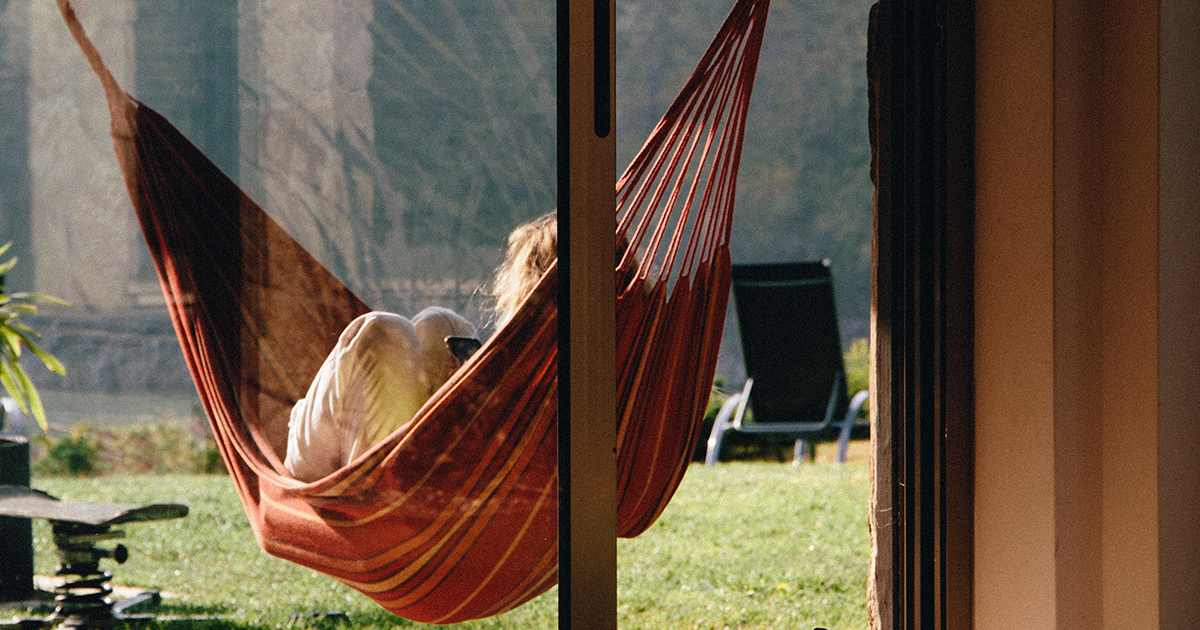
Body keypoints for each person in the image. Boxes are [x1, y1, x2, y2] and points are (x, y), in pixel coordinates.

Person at [284, 212, 557, 482]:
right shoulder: (549, 370)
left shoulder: (545, 373)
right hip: (434, 480)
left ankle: (375, 486)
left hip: (377, 492)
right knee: (441, 323)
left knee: (382, 331)